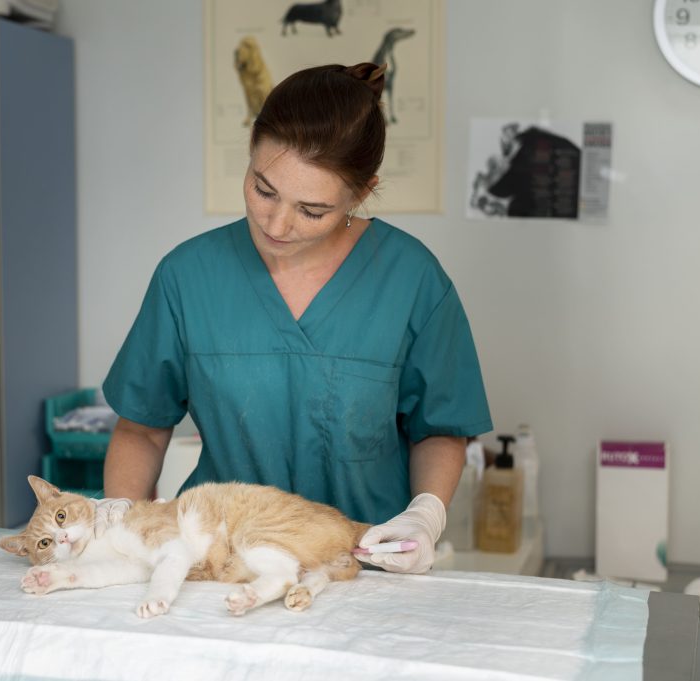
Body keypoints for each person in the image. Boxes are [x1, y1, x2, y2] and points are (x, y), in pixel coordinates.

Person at [101, 63, 492, 574]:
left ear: (362, 192)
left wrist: (426, 514)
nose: (277, 224)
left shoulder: (412, 280)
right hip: (217, 565)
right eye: (264, 190)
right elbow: (142, 429)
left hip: (361, 567)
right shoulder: (187, 276)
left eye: (312, 210)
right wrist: (122, 527)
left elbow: (439, 428)